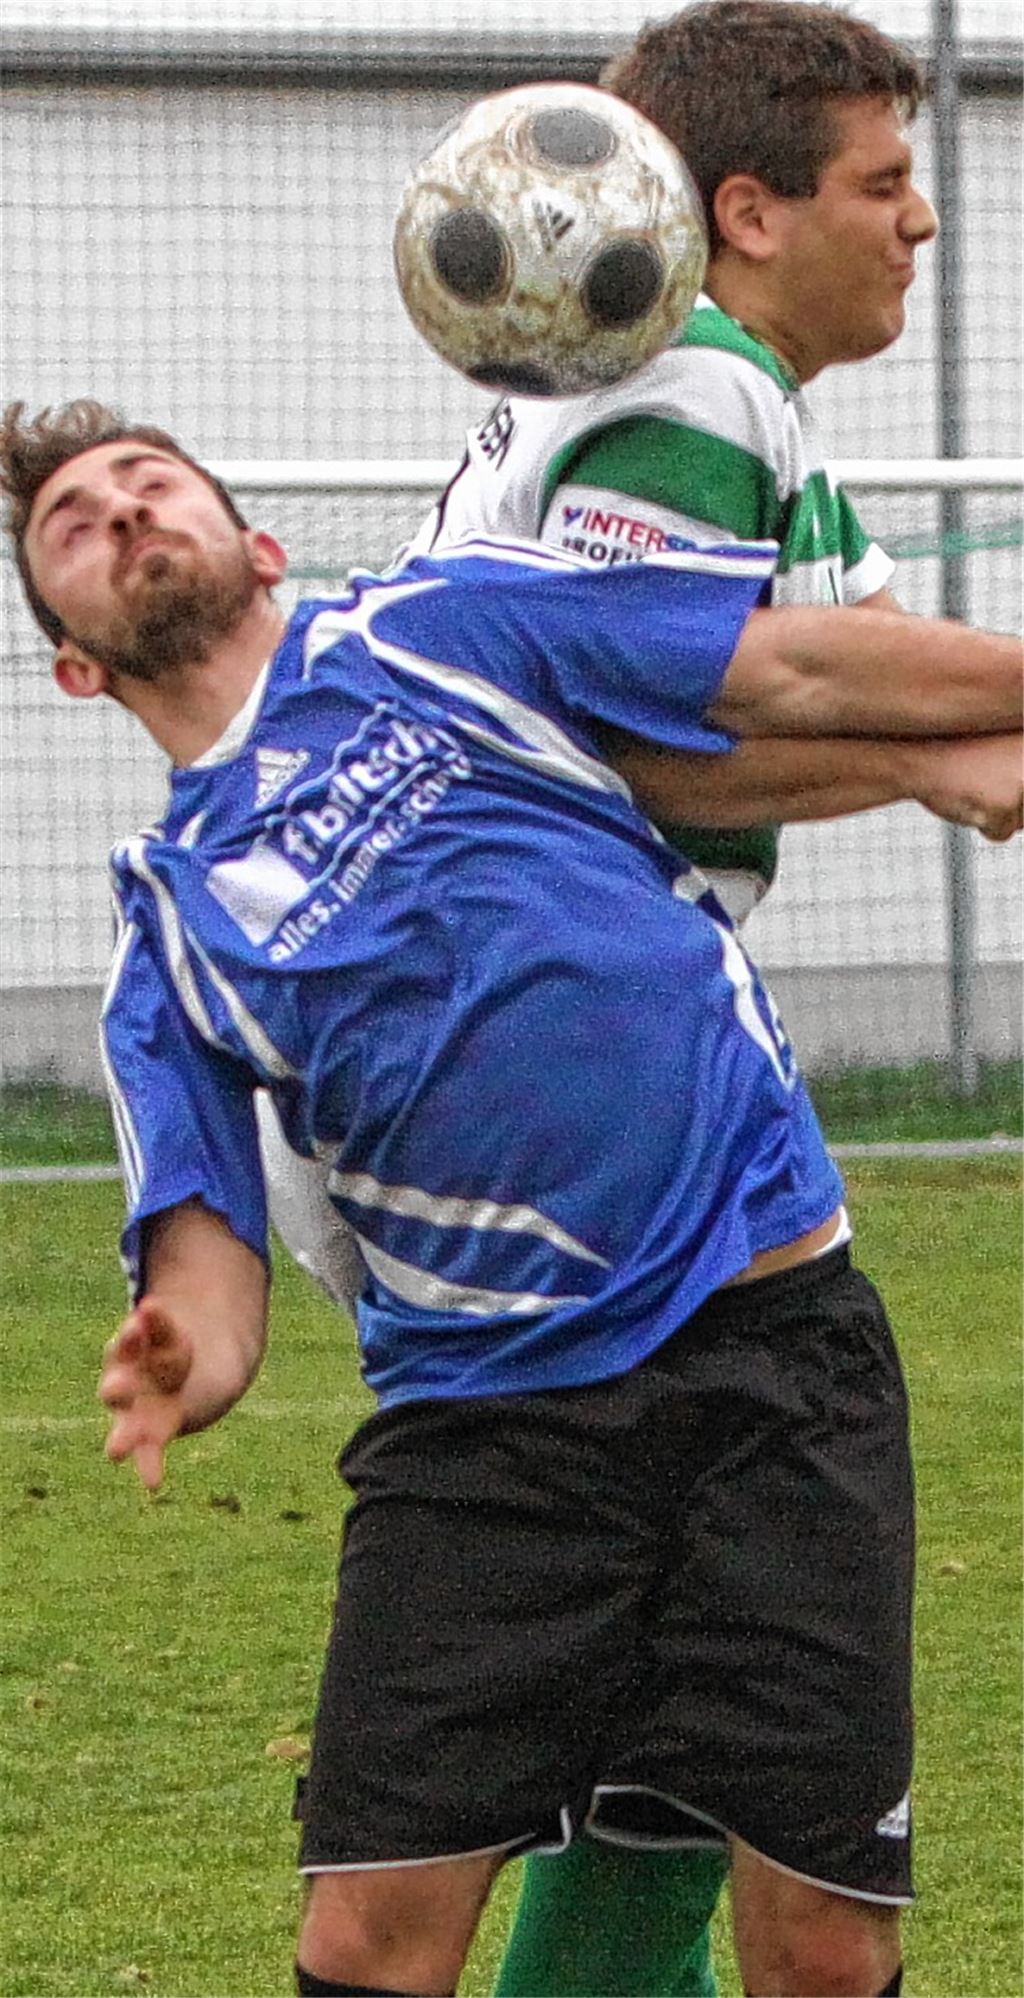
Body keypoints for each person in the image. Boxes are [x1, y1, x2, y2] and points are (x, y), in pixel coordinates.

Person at [3, 400, 1020, 1998]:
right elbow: (208, 1262)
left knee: (825, 1945)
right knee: (366, 1937)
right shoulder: (172, 929)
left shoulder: (446, 625)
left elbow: (787, 671)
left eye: (150, 485)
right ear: (74, 661)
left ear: (257, 544)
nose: (124, 515)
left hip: (775, 1356)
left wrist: (982, 717)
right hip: (489, 1434)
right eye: (74, 523)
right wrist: (183, 1355)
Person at [287, 8, 941, 1988]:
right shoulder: (701, 391)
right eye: (884, 183)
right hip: (542, 1113)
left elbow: (845, 665)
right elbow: (648, 736)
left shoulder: (682, 390)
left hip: (484, 1075)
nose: (919, 223)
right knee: (682, 1618)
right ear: (742, 211)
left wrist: (947, 732)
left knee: (670, 1744)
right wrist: (949, 746)